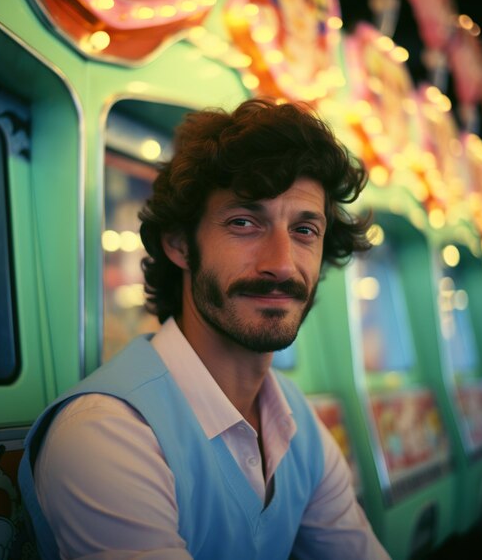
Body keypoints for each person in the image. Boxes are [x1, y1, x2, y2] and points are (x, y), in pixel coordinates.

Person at [19, 98, 391, 560]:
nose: (281, 264)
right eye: (243, 222)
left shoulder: (295, 420)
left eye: (305, 230)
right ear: (179, 244)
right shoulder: (107, 432)